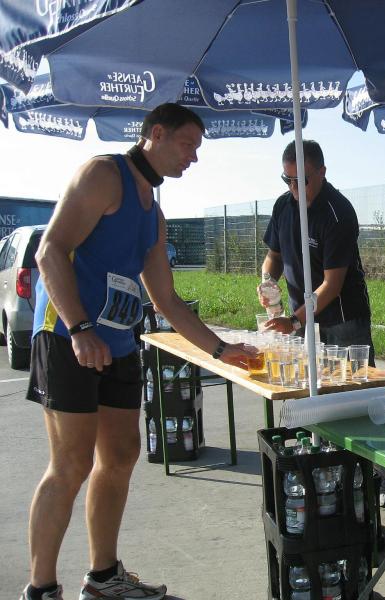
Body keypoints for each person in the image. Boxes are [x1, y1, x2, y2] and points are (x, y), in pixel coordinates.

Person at [21, 103, 255, 600]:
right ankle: (40, 588)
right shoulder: (104, 175)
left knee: (122, 454)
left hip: (118, 343)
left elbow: (165, 299)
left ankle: (103, 577)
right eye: (188, 144)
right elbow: (49, 250)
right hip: (68, 337)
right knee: (70, 464)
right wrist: (79, 327)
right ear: (156, 134)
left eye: (197, 149)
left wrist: (220, 349)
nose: (194, 157)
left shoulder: (155, 214)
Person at [259, 140, 375, 365]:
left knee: (354, 384)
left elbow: (332, 285)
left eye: (301, 180)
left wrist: (294, 321)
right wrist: (267, 281)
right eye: (287, 179)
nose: (294, 187)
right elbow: (274, 256)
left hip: (343, 322)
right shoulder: (283, 206)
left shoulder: (338, 213)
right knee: (306, 383)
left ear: (322, 172)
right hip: (302, 317)